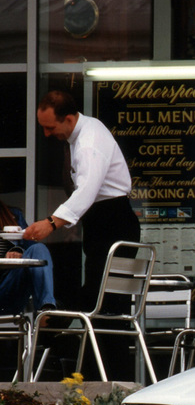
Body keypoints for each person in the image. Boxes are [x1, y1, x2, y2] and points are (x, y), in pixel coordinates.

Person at [26, 90, 140, 312]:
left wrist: (51, 223)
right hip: (105, 220)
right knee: (101, 295)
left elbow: (87, 189)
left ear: (69, 119)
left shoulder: (89, 142)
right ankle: (66, 321)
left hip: (112, 220)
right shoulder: (84, 133)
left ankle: (60, 320)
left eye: (50, 127)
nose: (47, 134)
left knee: (102, 298)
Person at [0, 200, 57, 315]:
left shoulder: (12, 214)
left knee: (38, 249)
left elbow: (30, 247)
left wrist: (18, 251)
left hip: (9, 286)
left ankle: (46, 310)